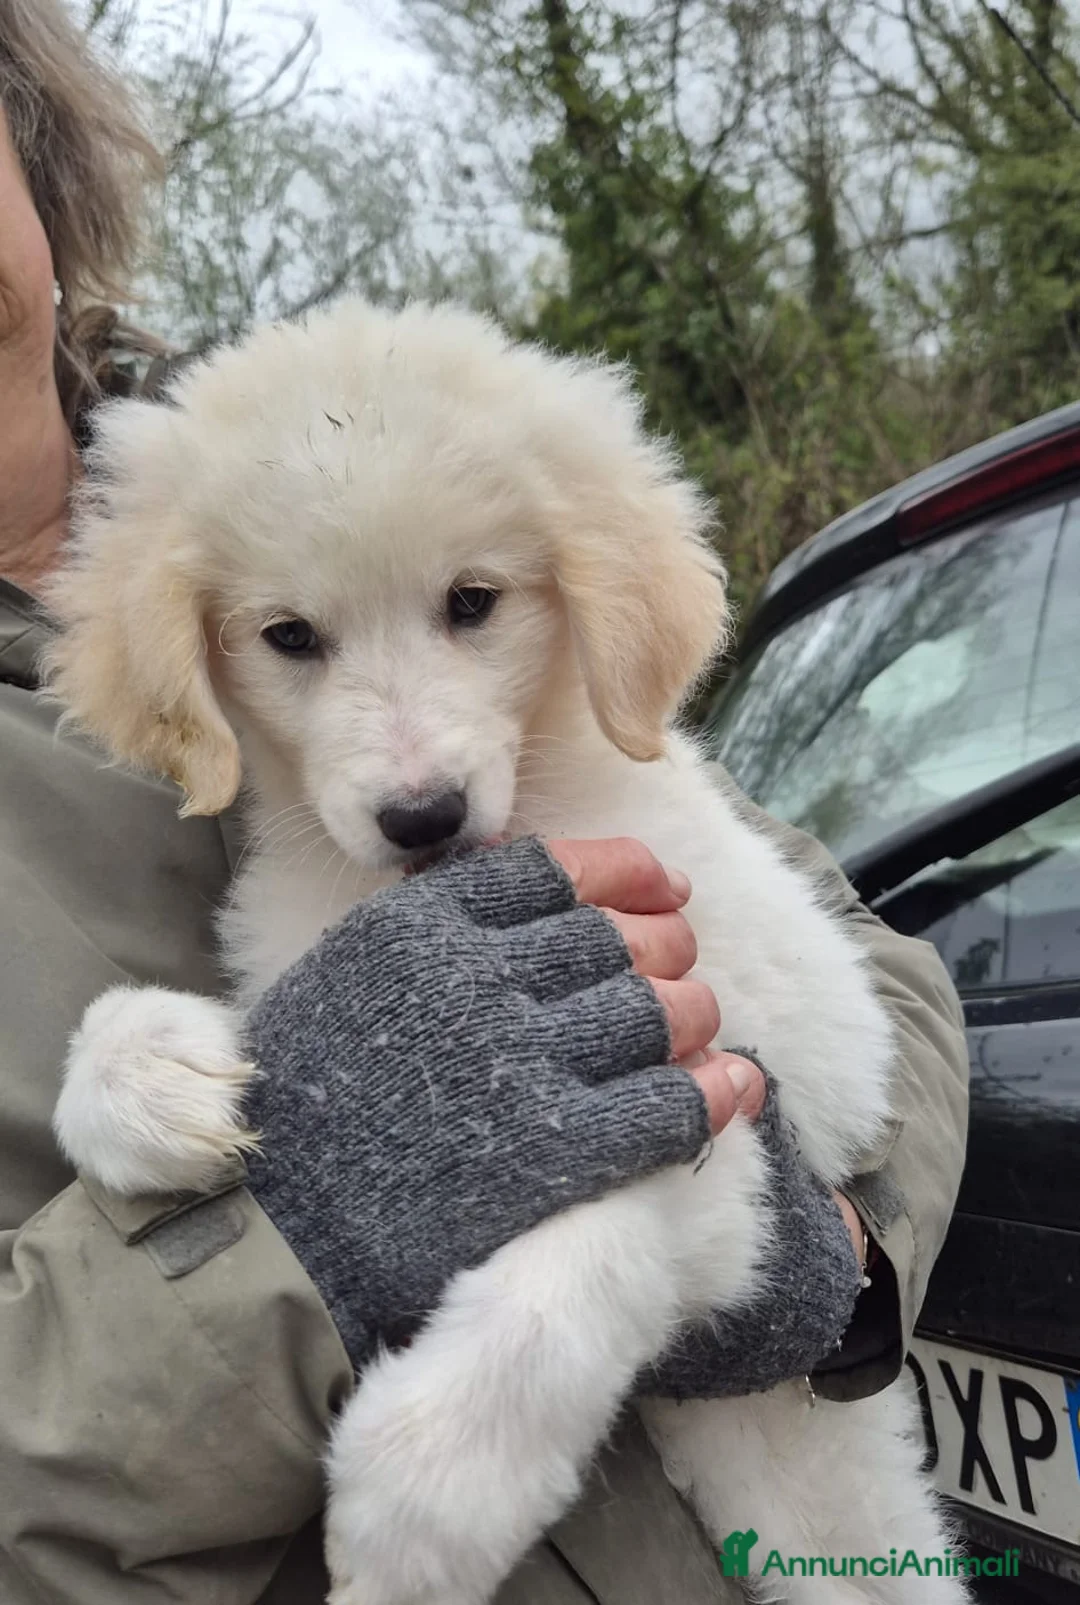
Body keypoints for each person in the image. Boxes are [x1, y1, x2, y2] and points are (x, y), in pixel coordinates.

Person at [0, 4, 969, 1602]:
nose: (417, 769)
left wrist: (847, 1256)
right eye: (294, 645)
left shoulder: (344, 459)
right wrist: (296, 1204)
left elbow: (858, 992)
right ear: (203, 663)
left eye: (472, 606)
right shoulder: (195, 582)